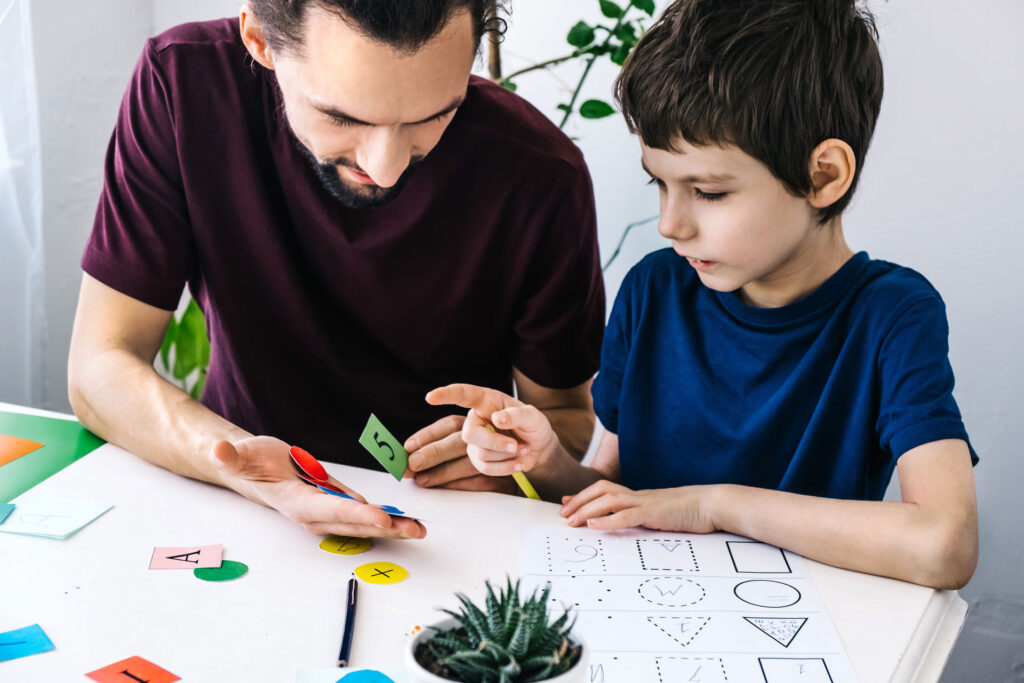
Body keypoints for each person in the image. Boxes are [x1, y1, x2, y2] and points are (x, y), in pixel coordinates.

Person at [428, 0, 979, 589]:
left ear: (823, 177)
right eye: (659, 183)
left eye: (709, 191)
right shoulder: (653, 290)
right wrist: (546, 463)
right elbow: (614, 496)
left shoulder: (893, 316)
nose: (670, 224)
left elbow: (944, 545)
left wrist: (714, 506)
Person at [67, 1, 605, 541]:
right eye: (342, 117)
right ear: (258, 39)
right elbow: (100, 366)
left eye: (434, 115)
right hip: (233, 504)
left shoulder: (540, 175)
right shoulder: (183, 83)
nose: (386, 167)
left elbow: (566, 414)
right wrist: (241, 467)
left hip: (447, 528)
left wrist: (516, 456)